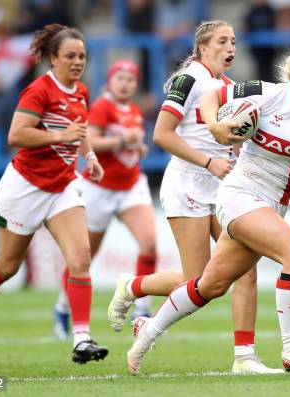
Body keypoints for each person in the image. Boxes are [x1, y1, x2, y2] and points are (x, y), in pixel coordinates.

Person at [120, 41, 290, 375]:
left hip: (272, 207)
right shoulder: (267, 92)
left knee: (210, 285)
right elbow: (212, 96)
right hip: (240, 194)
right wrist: (215, 125)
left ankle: (148, 330)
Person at [108, 20, 277, 374]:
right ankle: (132, 286)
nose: (230, 47)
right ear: (203, 47)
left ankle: (244, 357)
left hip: (224, 189)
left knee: (245, 268)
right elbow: (162, 135)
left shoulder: (229, 88)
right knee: (198, 281)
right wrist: (207, 161)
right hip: (188, 183)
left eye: (233, 41)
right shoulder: (189, 80)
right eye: (222, 41)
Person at [0, 23, 109, 364]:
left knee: (80, 258)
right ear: (53, 58)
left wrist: (90, 155)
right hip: (25, 188)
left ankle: (81, 338)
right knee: (6, 266)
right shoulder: (38, 91)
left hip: (63, 187)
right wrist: (58, 137)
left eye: (81, 55)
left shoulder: (81, 91)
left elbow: (78, 130)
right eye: (70, 56)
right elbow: (16, 135)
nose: (77, 61)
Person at [52, 59, 183, 340]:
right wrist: (124, 142)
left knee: (148, 243)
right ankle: (63, 306)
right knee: (83, 257)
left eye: (130, 79)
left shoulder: (133, 110)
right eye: (120, 78)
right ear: (110, 81)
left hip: (130, 185)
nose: (125, 83)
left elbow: (126, 144)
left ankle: (142, 310)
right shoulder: (101, 106)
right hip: (98, 188)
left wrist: (138, 146)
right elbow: (90, 142)